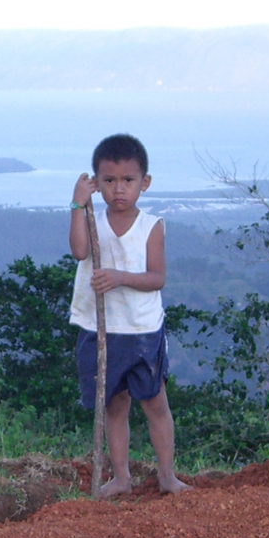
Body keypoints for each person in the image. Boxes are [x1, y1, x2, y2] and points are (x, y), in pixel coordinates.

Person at [68, 133, 190, 498]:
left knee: (155, 403)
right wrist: (77, 205)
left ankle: (167, 476)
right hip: (100, 327)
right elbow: (78, 251)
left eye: (128, 181)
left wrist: (119, 278)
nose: (118, 189)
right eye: (108, 181)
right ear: (96, 183)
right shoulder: (92, 220)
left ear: (144, 183)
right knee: (113, 405)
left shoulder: (151, 226)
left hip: (141, 329)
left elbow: (157, 277)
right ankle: (121, 477)